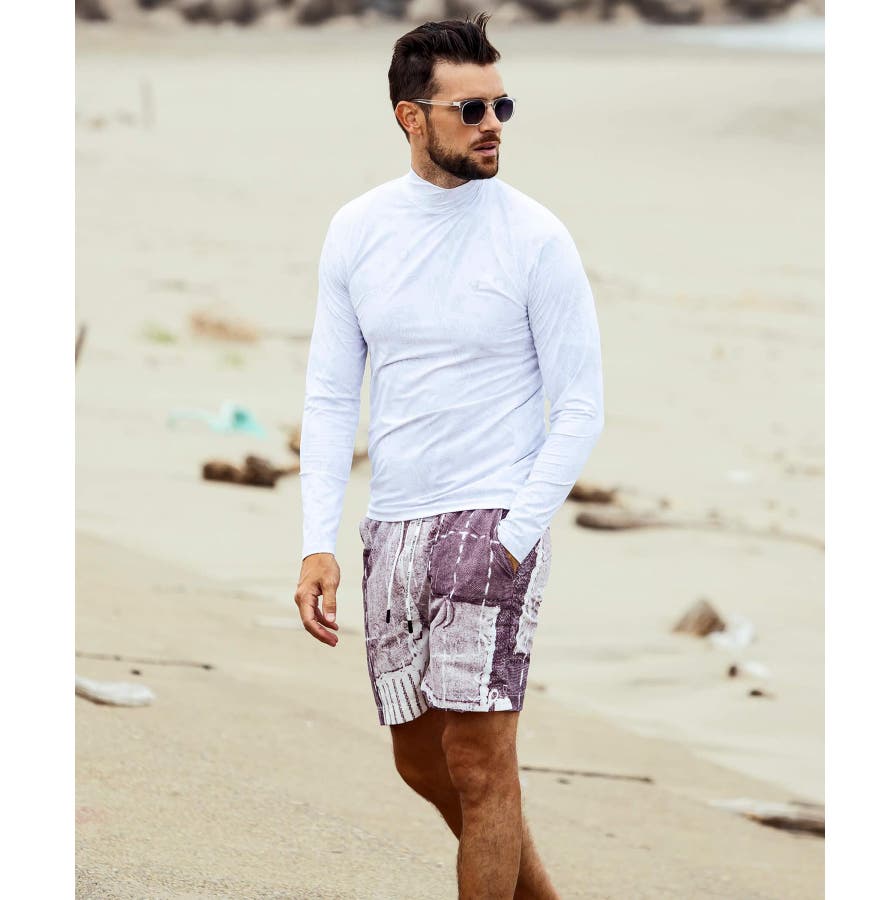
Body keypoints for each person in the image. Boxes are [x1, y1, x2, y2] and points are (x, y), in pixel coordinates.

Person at [294, 12, 605, 898]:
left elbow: (580, 406)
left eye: (502, 105)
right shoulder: (358, 229)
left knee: (479, 758)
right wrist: (318, 541)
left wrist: (516, 533)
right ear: (411, 117)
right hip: (393, 521)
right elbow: (330, 395)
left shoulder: (535, 236)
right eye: (471, 109)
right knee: (421, 759)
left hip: (492, 513)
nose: (492, 124)